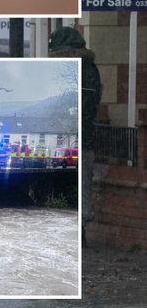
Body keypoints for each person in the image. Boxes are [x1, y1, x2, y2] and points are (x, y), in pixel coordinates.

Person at [48, 26, 102, 246]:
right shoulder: (91, 69)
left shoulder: (65, 69)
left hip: (71, 135)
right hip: (85, 137)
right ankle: (80, 231)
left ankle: (73, 232)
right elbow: (93, 101)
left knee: (72, 185)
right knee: (83, 185)